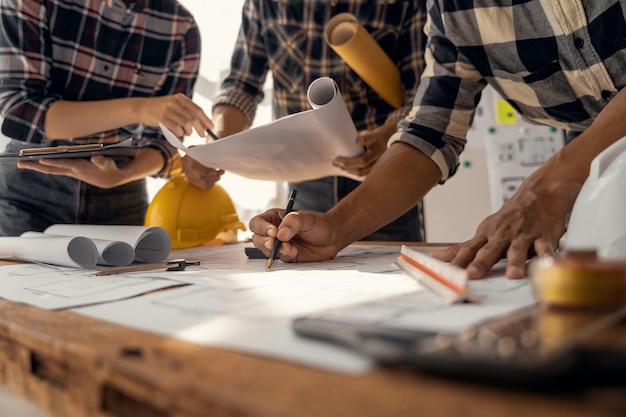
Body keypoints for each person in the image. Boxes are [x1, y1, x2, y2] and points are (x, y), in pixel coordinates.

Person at [248, 0, 626, 279]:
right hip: (604, 174)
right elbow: (428, 132)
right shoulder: (450, 13)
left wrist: (549, 186)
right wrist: (337, 227)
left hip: (584, 164)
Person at [183, 0, 427, 242]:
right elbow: (242, 84)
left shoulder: (404, 4)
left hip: (386, 179)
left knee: (395, 273)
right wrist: (215, 145)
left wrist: (384, 137)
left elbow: (423, 95)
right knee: (309, 272)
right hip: (305, 184)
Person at [0, 0, 215, 236]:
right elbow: (21, 110)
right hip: (28, 191)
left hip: (122, 192)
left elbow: (163, 142)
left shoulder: (181, 27)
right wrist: (140, 109)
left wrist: (122, 175)